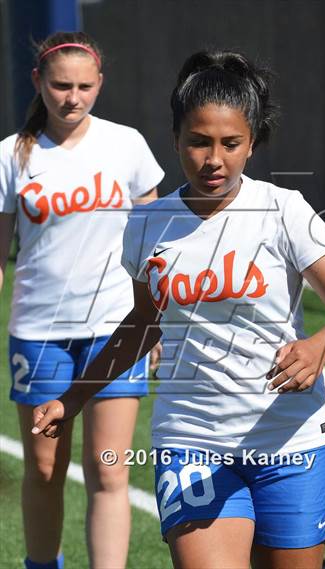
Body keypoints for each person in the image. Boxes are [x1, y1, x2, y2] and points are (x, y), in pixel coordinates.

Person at [31, 50, 325, 569]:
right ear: (175, 140)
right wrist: (74, 398)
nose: (213, 158)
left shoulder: (284, 211)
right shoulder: (147, 224)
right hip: (191, 438)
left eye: (230, 143)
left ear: (252, 144)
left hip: (293, 441)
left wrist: (316, 349)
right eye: (198, 141)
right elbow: (142, 325)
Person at [0, 31, 164, 569]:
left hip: (115, 329)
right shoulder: (10, 156)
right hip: (40, 332)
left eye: (85, 87)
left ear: (100, 85)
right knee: (45, 468)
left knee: (110, 467)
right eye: (61, 86)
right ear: (38, 83)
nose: (73, 97)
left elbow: (155, 246)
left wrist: (155, 322)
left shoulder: (127, 145)